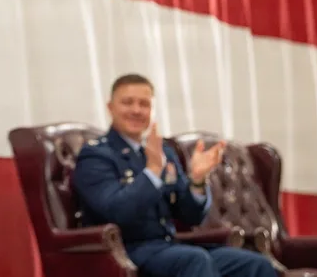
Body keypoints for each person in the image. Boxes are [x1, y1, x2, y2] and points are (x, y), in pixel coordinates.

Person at [72, 73, 277, 277]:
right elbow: (116, 212)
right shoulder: (96, 155)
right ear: (110, 108)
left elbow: (190, 217)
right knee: (194, 260)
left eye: (144, 104)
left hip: (168, 247)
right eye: (127, 102)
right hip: (126, 252)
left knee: (255, 264)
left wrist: (197, 180)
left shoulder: (163, 152)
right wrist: (152, 171)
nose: (136, 110)